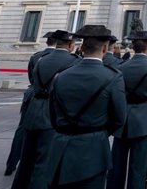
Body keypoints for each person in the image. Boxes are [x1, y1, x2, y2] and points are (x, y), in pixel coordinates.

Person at [46, 24, 127, 189]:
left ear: (81, 47)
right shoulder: (113, 77)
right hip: (93, 151)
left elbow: (52, 116)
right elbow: (119, 118)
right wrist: (98, 132)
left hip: (59, 149)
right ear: (105, 48)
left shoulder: (60, 77)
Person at [12, 30, 81, 189]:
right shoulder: (74, 62)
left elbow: (32, 80)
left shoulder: (39, 59)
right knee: (45, 163)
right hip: (53, 114)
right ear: (70, 45)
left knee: (26, 161)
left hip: (33, 112)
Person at [107, 30, 147, 189]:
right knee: (138, 166)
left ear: (132, 47)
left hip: (123, 118)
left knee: (117, 163)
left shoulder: (122, 66)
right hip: (144, 120)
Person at [5, 31, 57, 175]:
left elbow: (31, 78)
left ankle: (11, 164)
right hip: (51, 101)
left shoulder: (36, 56)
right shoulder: (65, 59)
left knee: (22, 130)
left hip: (32, 95)